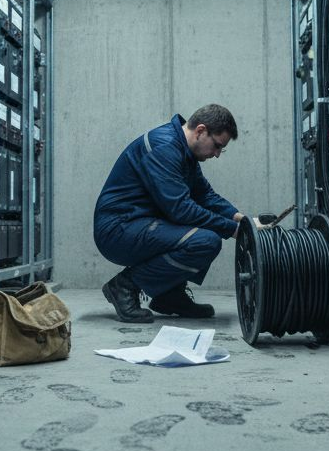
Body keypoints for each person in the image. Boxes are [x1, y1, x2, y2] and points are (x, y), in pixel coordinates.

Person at [93, 105, 262, 323]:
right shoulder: (164, 147)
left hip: (142, 223)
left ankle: (168, 295)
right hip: (118, 229)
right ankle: (124, 286)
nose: (217, 154)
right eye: (217, 146)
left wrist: (242, 219)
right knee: (205, 241)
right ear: (201, 131)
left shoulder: (185, 151)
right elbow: (181, 210)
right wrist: (233, 230)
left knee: (202, 236)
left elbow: (205, 195)